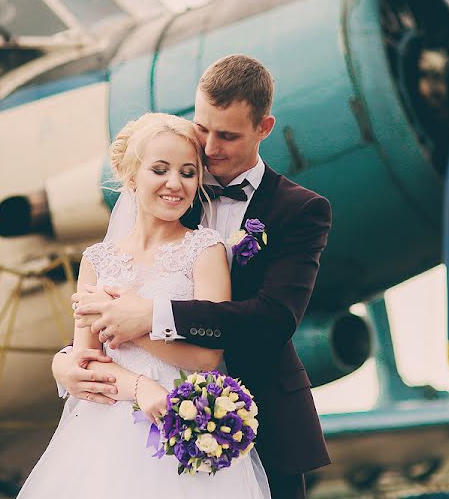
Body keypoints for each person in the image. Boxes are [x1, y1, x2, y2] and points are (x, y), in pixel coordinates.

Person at [57, 54, 332, 499]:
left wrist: (149, 317)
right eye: (202, 128)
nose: (208, 148)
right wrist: (64, 363)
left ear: (264, 128)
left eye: (227, 135)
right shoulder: (174, 189)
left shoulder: (300, 210)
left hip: (257, 416)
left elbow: (273, 318)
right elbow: (91, 332)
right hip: (130, 423)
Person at [19, 112, 271, 498]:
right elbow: (86, 361)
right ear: (131, 177)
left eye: (188, 172)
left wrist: (135, 326)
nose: (175, 183)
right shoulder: (97, 260)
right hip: (104, 429)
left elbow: (207, 355)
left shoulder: (204, 251)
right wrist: (140, 386)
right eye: (160, 169)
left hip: (180, 417)